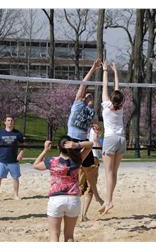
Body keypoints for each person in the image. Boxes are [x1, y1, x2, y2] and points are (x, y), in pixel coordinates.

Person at [33, 136, 93, 242]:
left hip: (56, 198)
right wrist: (77, 145)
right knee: (69, 236)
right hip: (73, 199)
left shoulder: (52, 161)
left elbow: (36, 165)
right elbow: (90, 145)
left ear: (58, 148)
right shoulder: (77, 159)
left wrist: (45, 150)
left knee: (54, 234)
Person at [67, 58, 104, 208]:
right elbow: (84, 84)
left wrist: (98, 129)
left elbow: (97, 126)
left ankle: (97, 197)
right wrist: (93, 69)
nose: (88, 96)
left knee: (90, 172)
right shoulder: (77, 103)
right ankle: (68, 195)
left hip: (83, 142)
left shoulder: (92, 112)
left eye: (91, 96)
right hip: (71, 139)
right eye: (86, 95)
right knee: (70, 170)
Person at [99, 60, 126, 216]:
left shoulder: (106, 105)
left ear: (112, 98)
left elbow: (105, 86)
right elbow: (117, 89)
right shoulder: (120, 107)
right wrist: (115, 71)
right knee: (113, 173)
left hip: (110, 139)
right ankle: (109, 200)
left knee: (108, 173)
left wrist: (105, 70)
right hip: (121, 139)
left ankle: (108, 202)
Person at [0, 115, 24, 201]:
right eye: (8, 120)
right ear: (5, 122)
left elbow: (23, 145)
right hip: (2, 160)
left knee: (15, 178)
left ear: (13, 123)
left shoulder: (17, 133)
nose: (10, 122)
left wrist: (21, 153)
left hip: (14, 161)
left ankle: (16, 195)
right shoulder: (0, 133)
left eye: (11, 121)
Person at [79, 122, 103, 221]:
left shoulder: (85, 134)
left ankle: (82, 214)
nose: (98, 130)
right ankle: (83, 214)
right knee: (89, 188)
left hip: (84, 159)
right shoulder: (93, 136)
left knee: (81, 187)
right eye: (97, 128)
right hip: (92, 159)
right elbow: (98, 147)